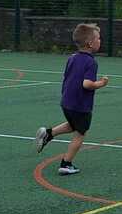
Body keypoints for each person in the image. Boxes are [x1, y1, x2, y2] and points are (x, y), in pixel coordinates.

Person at [34, 22, 109, 175]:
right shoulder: (91, 62)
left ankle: (48, 133)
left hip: (67, 102)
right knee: (80, 133)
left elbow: (67, 77)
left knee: (73, 124)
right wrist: (101, 83)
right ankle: (66, 164)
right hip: (81, 104)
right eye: (98, 38)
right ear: (90, 43)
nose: (100, 41)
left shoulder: (72, 58)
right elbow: (87, 84)